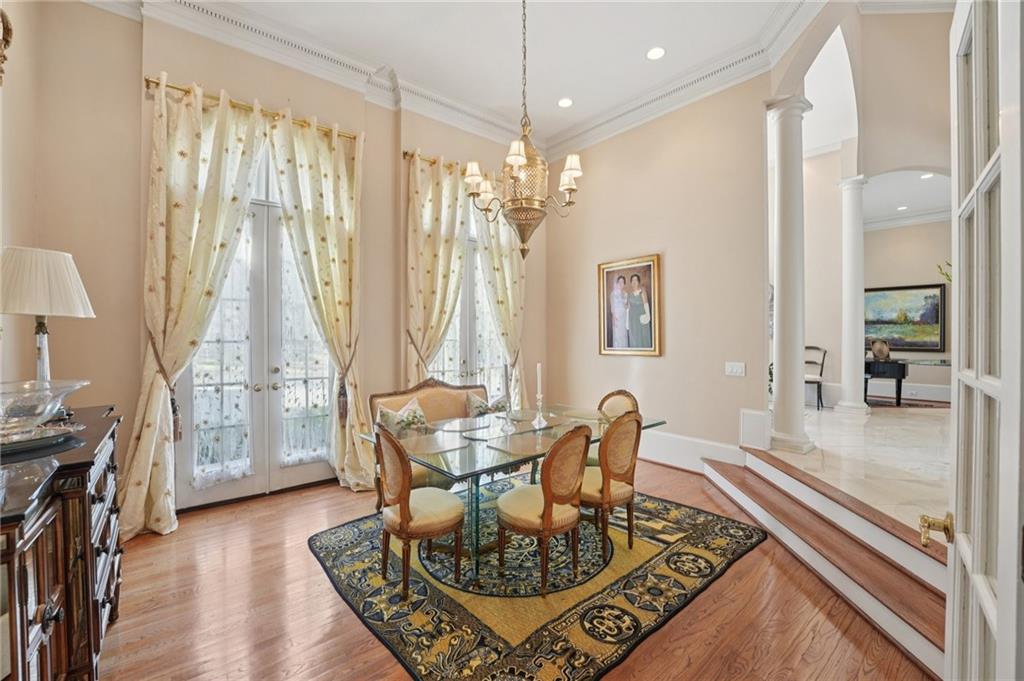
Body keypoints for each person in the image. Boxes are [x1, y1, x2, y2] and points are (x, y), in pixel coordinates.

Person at [627, 273, 653, 348]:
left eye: (636, 280)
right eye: (633, 280)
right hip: (632, 319)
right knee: (634, 338)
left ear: (638, 282)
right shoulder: (629, 294)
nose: (634, 282)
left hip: (641, 316)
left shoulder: (642, 291)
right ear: (631, 282)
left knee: (642, 337)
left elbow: (645, 303)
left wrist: (648, 316)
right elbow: (628, 307)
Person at [610, 275, 629, 348]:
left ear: (624, 284)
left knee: (623, 334)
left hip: (624, 317)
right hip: (617, 317)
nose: (621, 283)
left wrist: (628, 306)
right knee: (617, 335)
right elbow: (612, 307)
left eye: (622, 282)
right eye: (619, 282)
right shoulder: (613, 293)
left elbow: (626, 306)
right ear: (617, 283)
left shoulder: (626, 294)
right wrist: (614, 317)